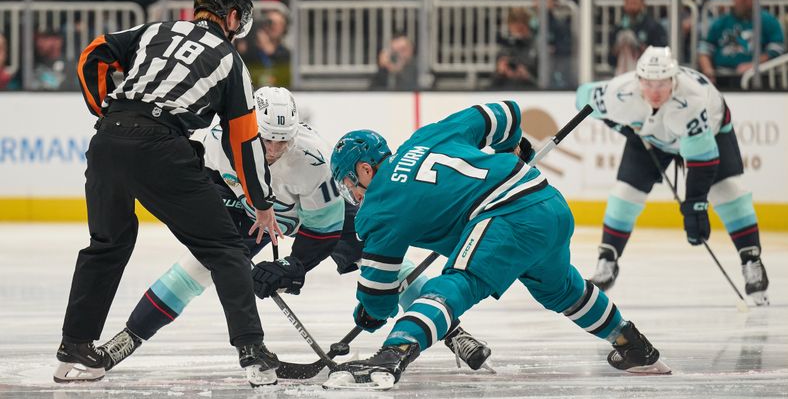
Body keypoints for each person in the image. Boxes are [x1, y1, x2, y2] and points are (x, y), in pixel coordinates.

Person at [98, 87, 493, 374]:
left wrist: (292, 266)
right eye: (267, 139)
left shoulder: (311, 157)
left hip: (319, 214)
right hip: (253, 211)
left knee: (386, 263)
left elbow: (322, 229)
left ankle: (452, 331)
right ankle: (129, 338)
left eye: (282, 141)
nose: (273, 150)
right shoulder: (217, 140)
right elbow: (204, 186)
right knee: (198, 267)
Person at [323, 101, 670, 390]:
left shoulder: (377, 208)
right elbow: (504, 113)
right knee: (561, 289)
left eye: (349, 184)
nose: (353, 195)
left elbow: (379, 290)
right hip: (549, 203)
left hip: (507, 217)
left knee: (459, 281)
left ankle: (394, 352)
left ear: (365, 169)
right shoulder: (425, 137)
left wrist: (369, 314)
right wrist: (512, 148)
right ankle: (632, 344)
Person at [54, 0, 283, 387]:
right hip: (161, 146)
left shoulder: (156, 28)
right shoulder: (231, 62)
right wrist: (262, 202)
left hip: (107, 141)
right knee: (225, 249)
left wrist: (104, 111)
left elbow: (93, 54)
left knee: (107, 243)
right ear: (232, 17)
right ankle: (252, 350)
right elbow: (243, 141)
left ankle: (75, 346)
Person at [578, 46, 769, 306]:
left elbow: (702, 161)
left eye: (662, 84)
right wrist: (620, 125)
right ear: (638, 80)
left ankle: (751, 259)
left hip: (712, 134)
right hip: (652, 136)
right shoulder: (619, 92)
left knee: (728, 192)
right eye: (648, 84)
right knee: (625, 193)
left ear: (674, 80)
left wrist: (695, 207)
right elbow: (583, 99)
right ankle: (607, 259)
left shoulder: (692, 100)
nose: (655, 92)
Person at [698, 0, 785, 87]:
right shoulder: (721, 22)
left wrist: (753, 65)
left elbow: (776, 50)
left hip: (756, 76)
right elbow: (704, 48)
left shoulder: (767, 20)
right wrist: (708, 70)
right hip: (721, 76)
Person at [609, 0, 668, 75]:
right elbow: (610, 59)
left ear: (642, 3)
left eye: (635, 2)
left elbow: (661, 55)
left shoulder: (654, 27)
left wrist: (638, 46)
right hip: (622, 74)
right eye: (629, 2)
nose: (632, 5)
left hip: (647, 74)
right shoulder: (618, 28)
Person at [491, 8, 536, 89]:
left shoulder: (536, 46)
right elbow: (493, 84)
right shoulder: (505, 48)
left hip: (530, 92)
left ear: (527, 26)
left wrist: (528, 76)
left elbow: (545, 81)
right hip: (505, 91)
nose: (517, 33)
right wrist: (500, 73)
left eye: (521, 29)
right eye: (514, 29)